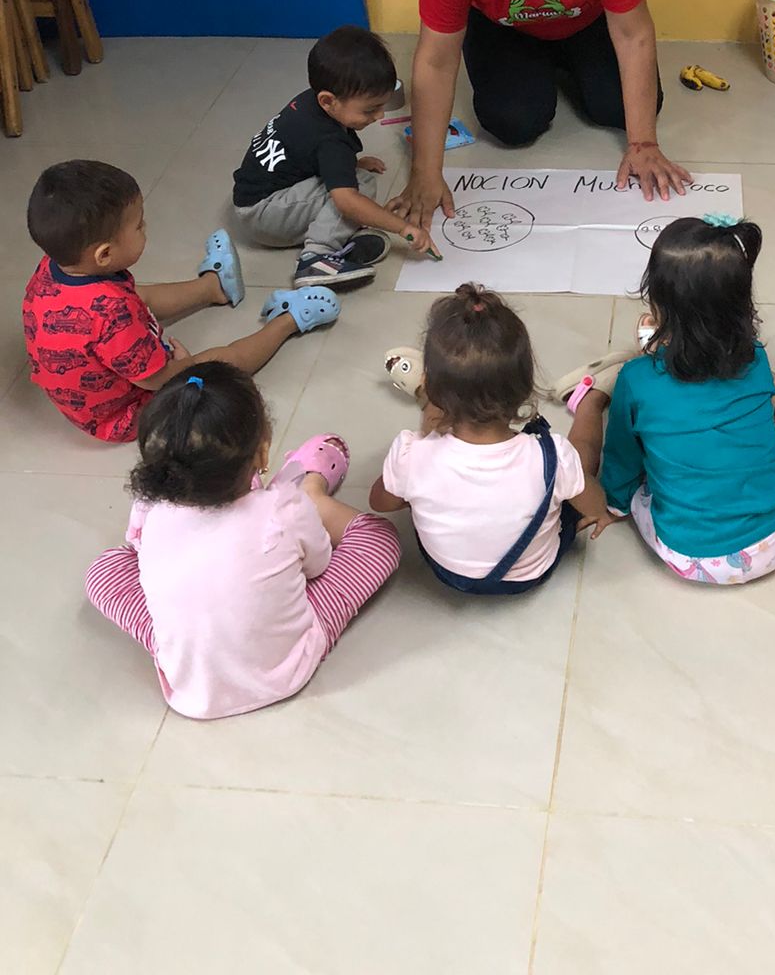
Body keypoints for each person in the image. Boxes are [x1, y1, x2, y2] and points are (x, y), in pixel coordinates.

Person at [392, 0, 691, 232]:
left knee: (618, 109)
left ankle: (566, 65)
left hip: (586, 22)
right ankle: (544, 69)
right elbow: (436, 59)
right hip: (503, 26)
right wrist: (425, 172)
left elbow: (633, 34)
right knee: (512, 123)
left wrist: (643, 145)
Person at [84, 364, 400, 718]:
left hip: (190, 687)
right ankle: (313, 491)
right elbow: (319, 566)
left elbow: (136, 551)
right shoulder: (283, 509)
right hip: (287, 669)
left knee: (104, 571)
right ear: (262, 454)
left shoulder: (150, 509)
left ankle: (187, 632)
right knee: (378, 540)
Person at [23, 160, 339, 444]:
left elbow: (114, 309)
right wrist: (183, 366)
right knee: (219, 363)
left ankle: (213, 287)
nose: (146, 228)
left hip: (89, 390)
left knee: (135, 297)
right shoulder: (111, 311)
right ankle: (287, 321)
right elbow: (152, 380)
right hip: (128, 412)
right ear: (104, 254)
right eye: (139, 225)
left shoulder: (53, 267)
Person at [568, 216, 775, 585]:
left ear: (659, 305)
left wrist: (613, 504)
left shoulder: (637, 378)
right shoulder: (757, 358)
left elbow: (623, 457)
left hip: (696, 556)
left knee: (643, 477)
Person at [369, 283, 612, 594]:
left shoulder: (410, 453)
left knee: (414, 484)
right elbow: (594, 505)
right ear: (524, 388)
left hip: (448, 573)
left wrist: (420, 476)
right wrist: (597, 509)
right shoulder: (552, 456)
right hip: (528, 575)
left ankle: (427, 394)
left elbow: (381, 502)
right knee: (577, 463)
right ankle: (591, 400)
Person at [232, 25, 440, 289]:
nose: (379, 116)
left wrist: (351, 163)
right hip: (263, 214)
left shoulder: (309, 102)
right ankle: (316, 257)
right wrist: (403, 228)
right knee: (358, 187)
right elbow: (347, 201)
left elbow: (303, 154)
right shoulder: (330, 141)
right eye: (370, 110)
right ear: (328, 101)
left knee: (355, 178)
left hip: (261, 197)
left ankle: (342, 240)